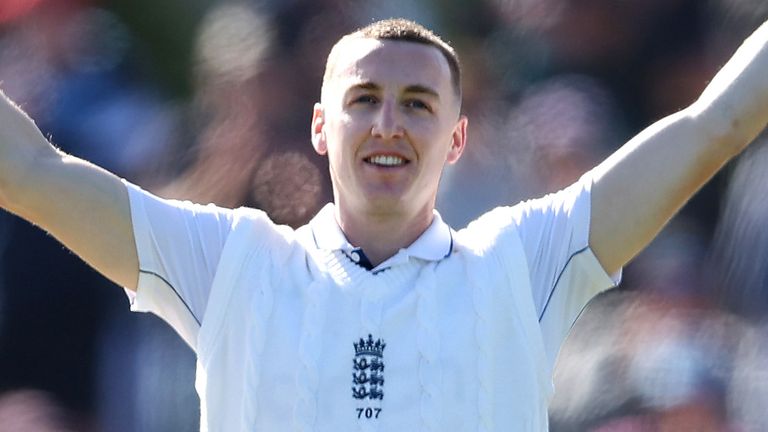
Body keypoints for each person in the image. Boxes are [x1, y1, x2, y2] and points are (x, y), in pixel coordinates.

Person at [0, 16, 766, 431]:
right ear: (320, 128)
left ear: (458, 139)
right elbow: (31, 174)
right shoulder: (231, 263)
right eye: (364, 99)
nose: (390, 124)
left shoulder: (523, 260)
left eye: (420, 105)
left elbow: (715, 125)